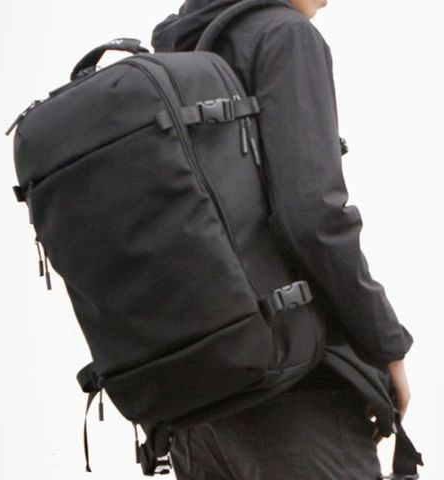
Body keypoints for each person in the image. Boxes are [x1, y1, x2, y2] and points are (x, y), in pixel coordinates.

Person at [151, 1, 414, 478]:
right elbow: (312, 216)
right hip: (296, 394)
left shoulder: (175, 50)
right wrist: (386, 344)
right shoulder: (284, 36)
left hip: (196, 411)